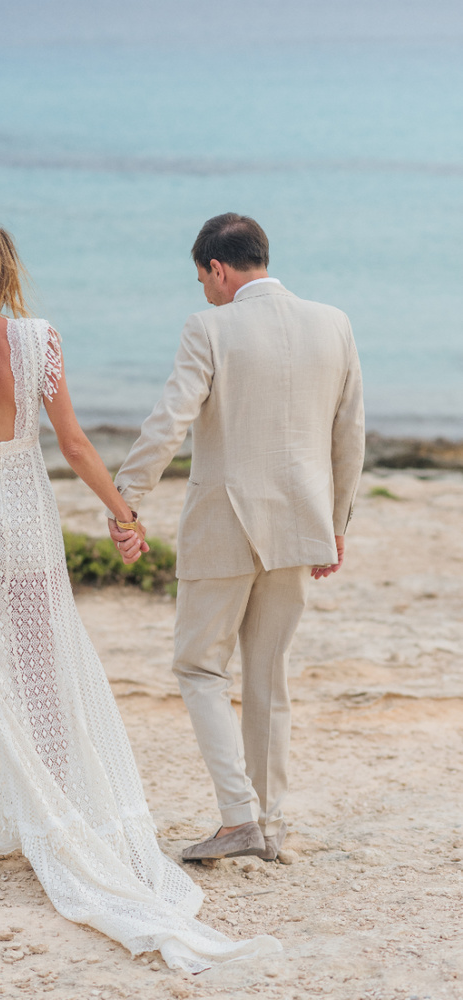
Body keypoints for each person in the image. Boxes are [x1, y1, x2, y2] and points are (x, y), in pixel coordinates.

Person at [0, 215, 280, 973]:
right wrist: (123, 513)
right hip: (27, 525)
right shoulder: (39, 339)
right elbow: (72, 443)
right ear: (5, 268)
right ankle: (58, 809)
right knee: (44, 676)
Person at [109, 213, 365, 863]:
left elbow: (170, 419)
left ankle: (237, 818)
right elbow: (349, 434)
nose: (204, 292)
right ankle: (270, 825)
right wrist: (336, 526)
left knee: (198, 667)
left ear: (218, 270)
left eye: (202, 279)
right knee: (268, 678)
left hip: (224, 525)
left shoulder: (210, 327)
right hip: (301, 526)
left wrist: (126, 500)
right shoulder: (333, 323)